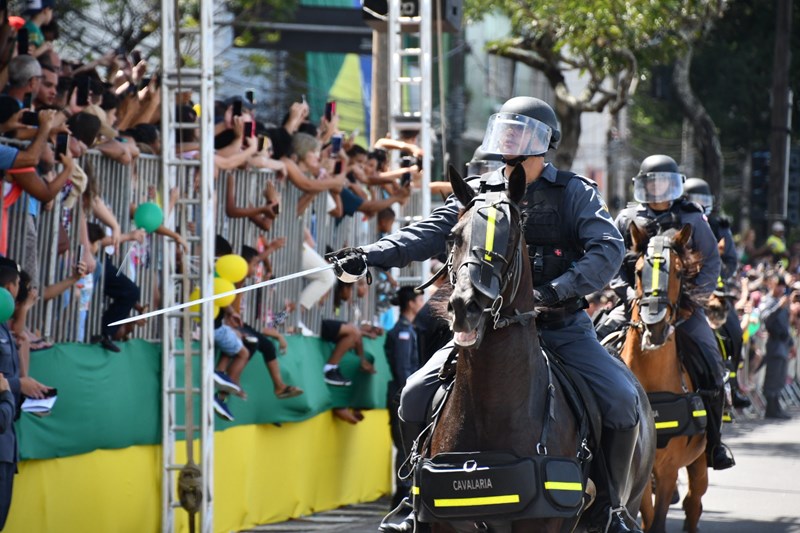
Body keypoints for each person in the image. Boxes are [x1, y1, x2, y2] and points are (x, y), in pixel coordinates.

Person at [329, 96, 643, 533]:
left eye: (522, 131)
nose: (511, 138)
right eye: (507, 128)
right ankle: (412, 502)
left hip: (560, 329)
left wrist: (555, 291)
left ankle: (608, 509)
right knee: (413, 395)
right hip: (484, 331)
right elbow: (428, 232)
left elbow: (607, 249)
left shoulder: (574, 192)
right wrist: (369, 255)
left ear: (544, 142)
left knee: (622, 401)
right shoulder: (479, 191)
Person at [610, 155, 735, 471]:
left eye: (664, 181)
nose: (658, 188)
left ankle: (715, 444)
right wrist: (627, 295)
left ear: (676, 184)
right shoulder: (626, 218)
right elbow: (611, 261)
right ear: (642, 185)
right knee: (598, 345)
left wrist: (692, 302)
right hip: (635, 306)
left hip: (683, 310)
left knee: (710, 360)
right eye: (652, 182)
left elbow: (712, 264)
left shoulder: (691, 216)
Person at [684, 177, 751, 408]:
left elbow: (731, 260)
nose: (700, 204)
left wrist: (714, 271)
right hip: (681, 290)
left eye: (704, 200)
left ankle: (731, 384)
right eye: (695, 199)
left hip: (713, 289)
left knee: (733, 330)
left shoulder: (720, 226)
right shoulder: (681, 219)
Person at [384, 286, 425, 510]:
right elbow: (403, 370)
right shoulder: (402, 332)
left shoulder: (411, 329)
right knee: (404, 446)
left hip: (405, 395)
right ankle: (402, 495)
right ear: (410, 303)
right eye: (419, 299)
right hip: (402, 396)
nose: (422, 303)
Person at [760, 274, 794, 419]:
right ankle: (771, 409)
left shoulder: (783, 303)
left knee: (780, 376)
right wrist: (778, 307)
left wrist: (791, 344)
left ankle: (776, 407)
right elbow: (765, 319)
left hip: (783, 343)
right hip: (773, 343)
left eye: (782, 286)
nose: (780, 288)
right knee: (772, 377)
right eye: (778, 285)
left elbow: (786, 326)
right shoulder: (768, 301)